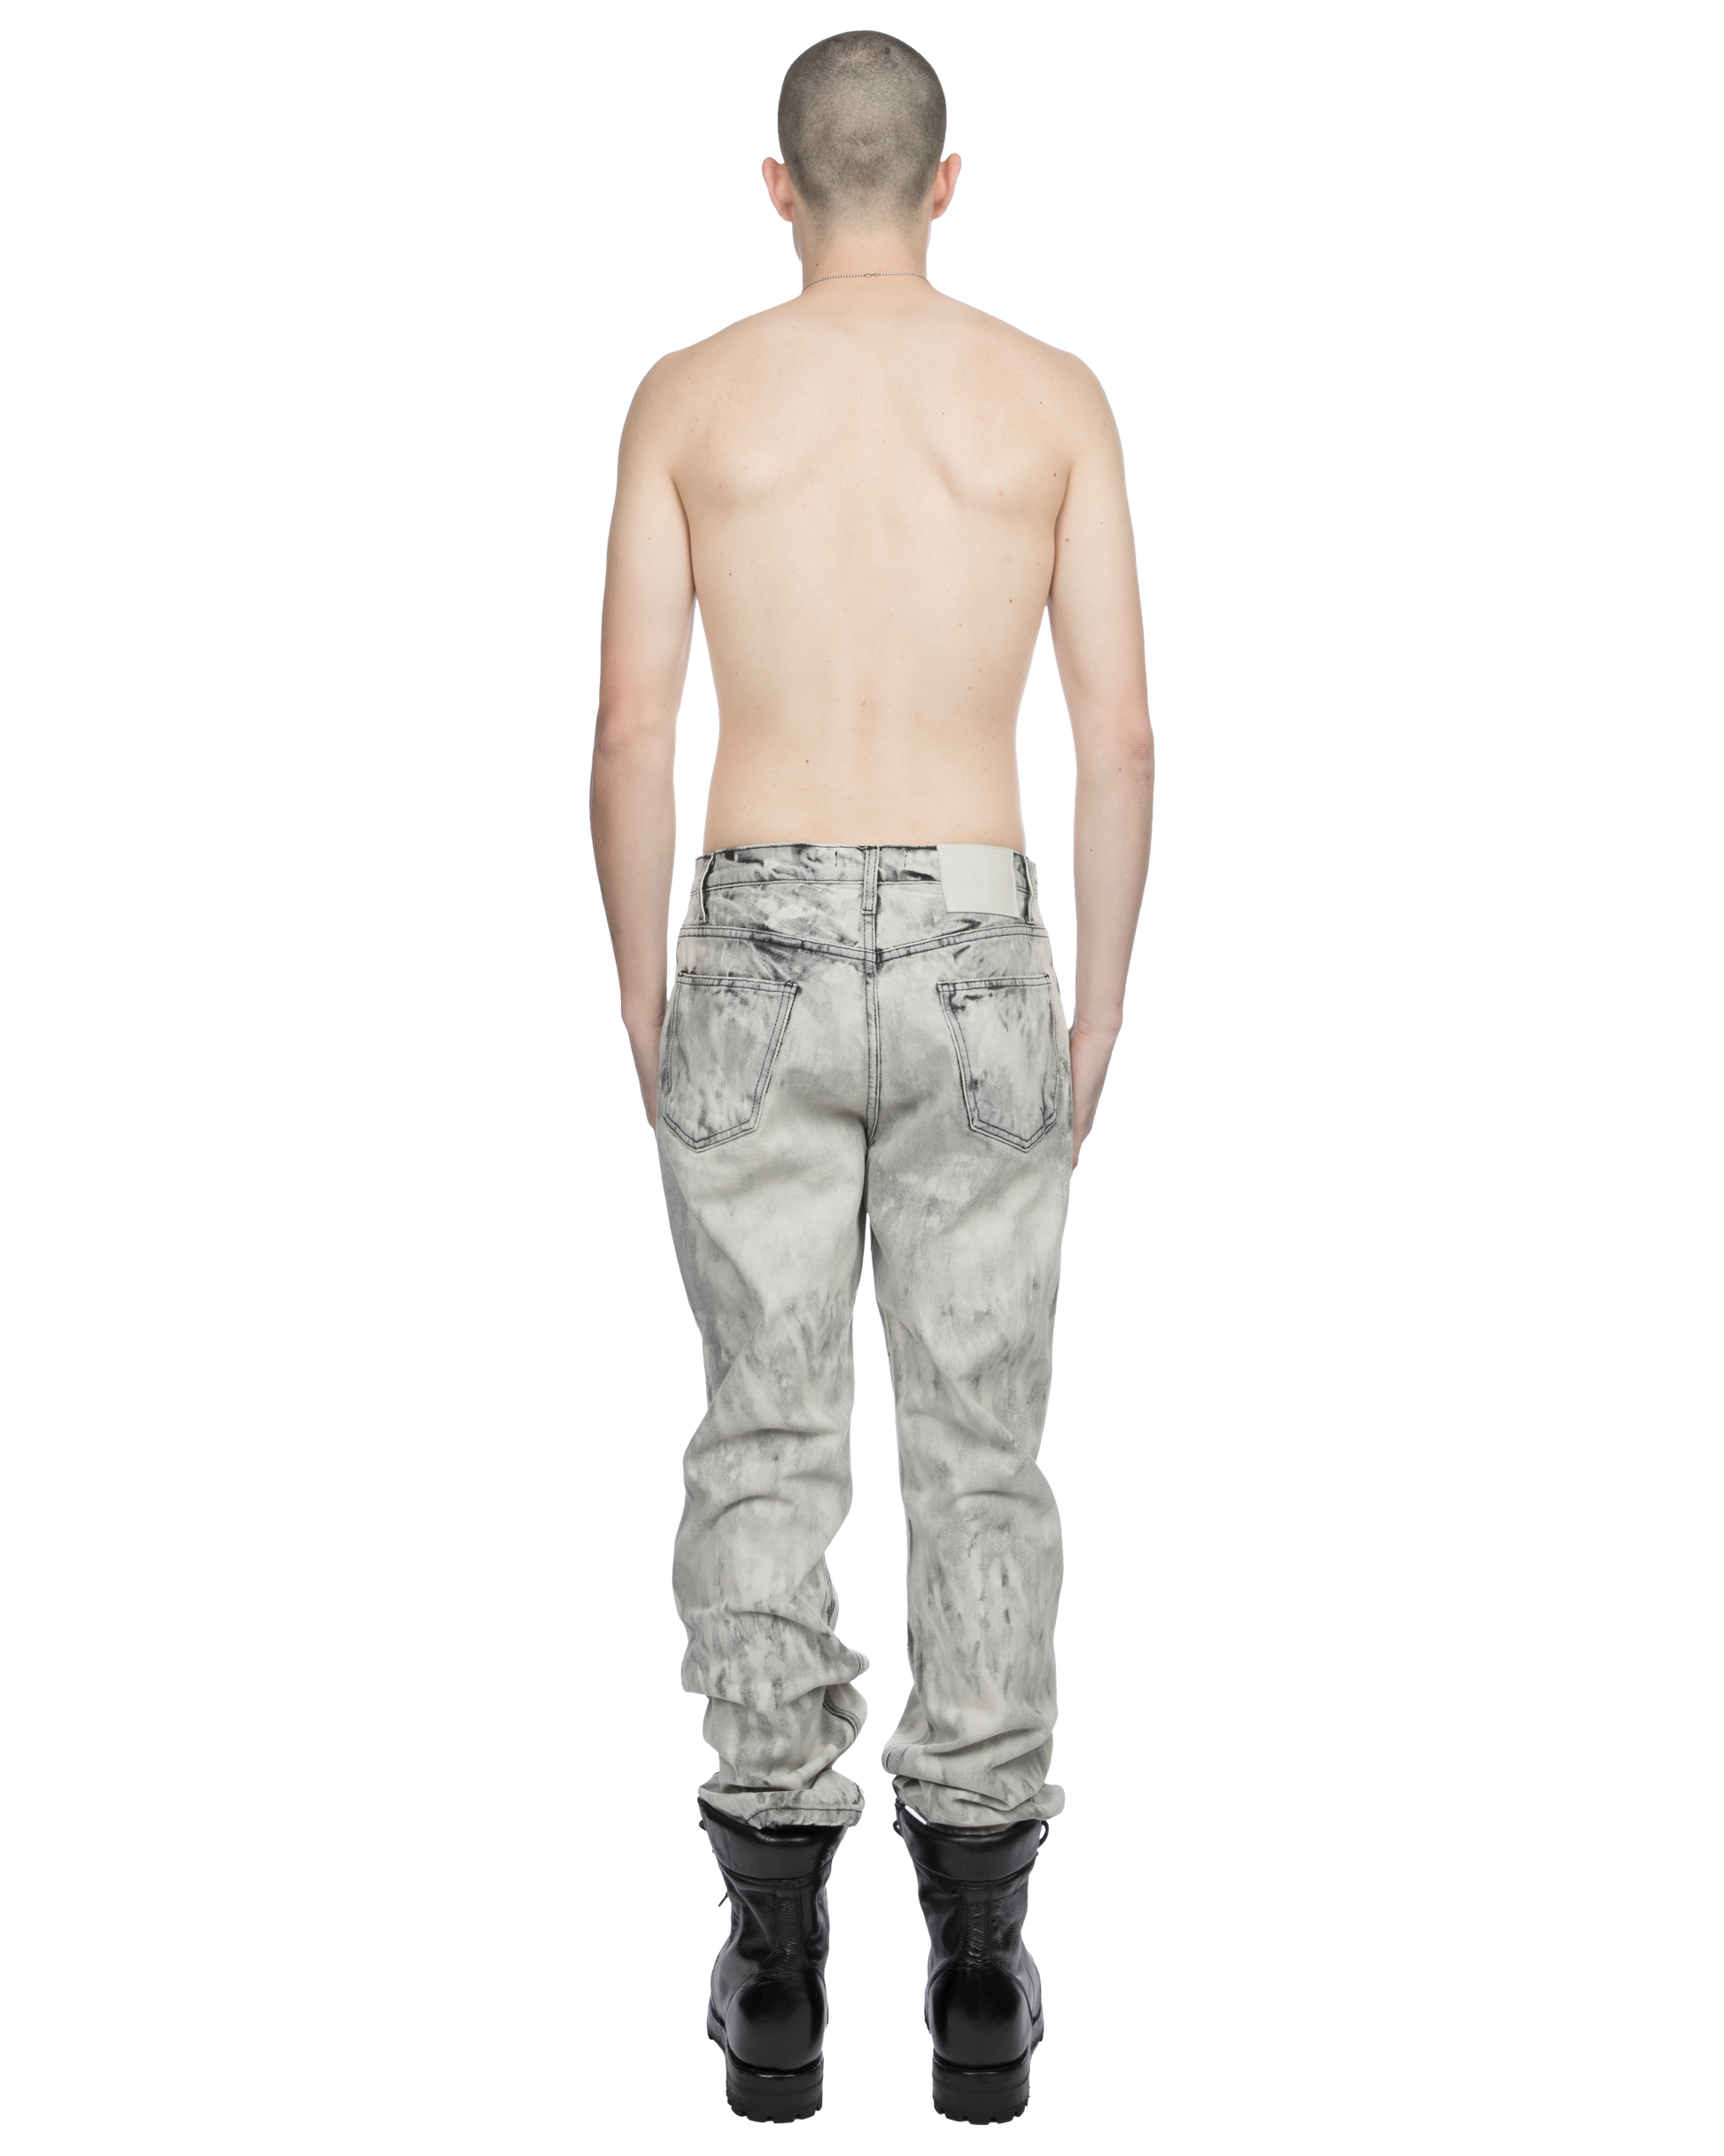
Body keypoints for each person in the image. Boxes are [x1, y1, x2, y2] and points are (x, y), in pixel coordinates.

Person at [588, 27, 1155, 2129]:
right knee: (984, 1442)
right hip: (984, 922)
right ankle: (983, 1963)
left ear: (774, 187)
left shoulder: (686, 394)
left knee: (763, 1424)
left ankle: (772, 1960)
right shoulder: (1053, 393)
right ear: (944, 182)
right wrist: (1095, 1010)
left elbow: (629, 727)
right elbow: (1117, 736)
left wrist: (644, 997)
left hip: (744, 916)